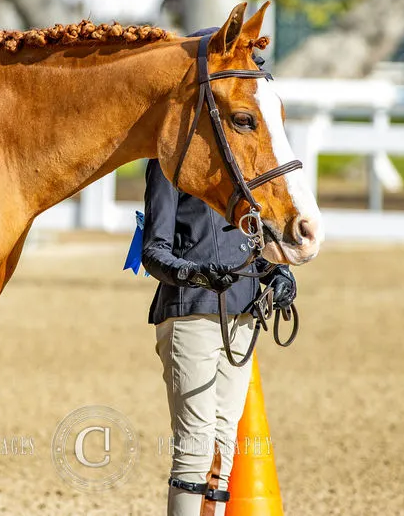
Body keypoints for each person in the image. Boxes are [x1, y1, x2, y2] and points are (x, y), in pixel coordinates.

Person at [142, 31, 298, 516]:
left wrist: (275, 277)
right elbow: (154, 251)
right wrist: (198, 275)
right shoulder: (169, 162)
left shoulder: (243, 176)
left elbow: (248, 243)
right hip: (190, 314)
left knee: (224, 449)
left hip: (242, 316)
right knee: (194, 444)